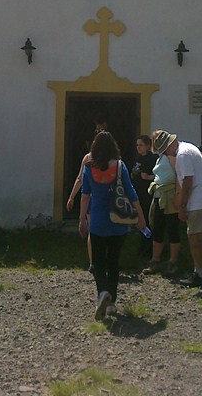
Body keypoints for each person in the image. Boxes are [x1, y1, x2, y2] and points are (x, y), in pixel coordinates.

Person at [79, 131, 146, 319]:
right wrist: (140, 217)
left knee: (98, 262)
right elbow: (131, 192)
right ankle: (112, 303)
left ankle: (102, 293)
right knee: (113, 261)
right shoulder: (119, 166)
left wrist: (82, 219)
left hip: (98, 220)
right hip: (118, 220)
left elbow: (85, 195)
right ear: (113, 147)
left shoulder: (88, 167)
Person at [152, 130, 202, 288]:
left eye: (164, 150)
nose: (167, 153)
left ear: (169, 146)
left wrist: (182, 205)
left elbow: (188, 181)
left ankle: (199, 273)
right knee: (199, 237)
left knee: (195, 237)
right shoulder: (187, 148)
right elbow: (183, 181)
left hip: (199, 201)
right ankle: (199, 271)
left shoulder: (182, 155)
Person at [66, 116, 108, 271]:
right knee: (106, 228)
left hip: (92, 197)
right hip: (106, 197)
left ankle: (93, 262)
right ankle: (102, 260)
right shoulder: (114, 158)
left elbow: (80, 179)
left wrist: (71, 196)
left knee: (94, 229)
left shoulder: (88, 158)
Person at [142, 129, 181, 276]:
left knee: (172, 229)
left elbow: (179, 176)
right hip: (159, 196)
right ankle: (156, 260)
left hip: (170, 196)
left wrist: (178, 196)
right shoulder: (160, 157)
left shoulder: (172, 157)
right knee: (157, 228)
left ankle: (173, 261)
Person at [131, 135, 157, 257]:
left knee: (147, 220)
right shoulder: (138, 158)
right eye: (137, 145)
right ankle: (143, 244)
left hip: (148, 194)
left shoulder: (153, 159)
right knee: (140, 220)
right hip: (138, 193)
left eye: (141, 145)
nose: (138, 148)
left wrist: (148, 177)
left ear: (148, 146)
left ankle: (149, 248)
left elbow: (158, 176)